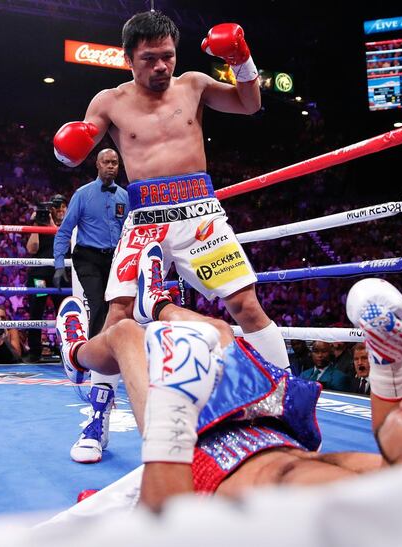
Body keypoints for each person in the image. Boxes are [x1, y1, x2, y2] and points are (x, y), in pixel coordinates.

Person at [56, 259, 402, 510]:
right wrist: (389, 365)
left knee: (124, 336)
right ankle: (158, 304)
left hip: (199, 458)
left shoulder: (335, 506)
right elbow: (395, 435)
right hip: (268, 428)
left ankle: (77, 356)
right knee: (220, 332)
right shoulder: (394, 484)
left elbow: (171, 526)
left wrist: (173, 412)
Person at [52, 11, 289, 461]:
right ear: (129, 59)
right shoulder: (108, 101)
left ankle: (280, 401)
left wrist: (242, 59)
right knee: (118, 317)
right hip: (145, 218)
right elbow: (81, 150)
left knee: (247, 305)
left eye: (168, 57)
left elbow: (250, 103)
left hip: (200, 211)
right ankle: (97, 418)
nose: (161, 67)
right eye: (150, 59)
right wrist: (68, 152)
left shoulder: (195, 84)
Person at [53, 149, 128, 338]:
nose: (111, 166)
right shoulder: (82, 194)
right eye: (106, 162)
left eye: (114, 162)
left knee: (116, 304)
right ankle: (95, 353)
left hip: (114, 259)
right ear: (98, 164)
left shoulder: (124, 196)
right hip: (87, 257)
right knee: (97, 303)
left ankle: (112, 349)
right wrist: (59, 264)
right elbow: (65, 230)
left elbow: (129, 230)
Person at [26, 194, 69, 363]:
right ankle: (35, 352)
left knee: (65, 312)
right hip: (40, 277)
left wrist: (51, 225)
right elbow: (31, 248)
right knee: (37, 310)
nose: (60, 210)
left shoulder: (69, 225)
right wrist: (37, 225)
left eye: (63, 207)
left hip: (61, 275)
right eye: (56, 207)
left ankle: (67, 350)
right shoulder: (40, 223)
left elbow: (66, 244)